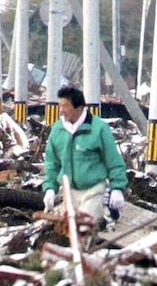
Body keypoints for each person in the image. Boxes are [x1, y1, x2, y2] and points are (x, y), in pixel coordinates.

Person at [42, 85, 127, 223]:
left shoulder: (98, 128)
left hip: (94, 189)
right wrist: (50, 188)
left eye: (66, 106)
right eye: (60, 106)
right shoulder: (57, 130)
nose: (61, 111)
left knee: (84, 226)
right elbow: (52, 163)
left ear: (79, 107)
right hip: (69, 191)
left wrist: (117, 188)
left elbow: (113, 161)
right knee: (68, 229)